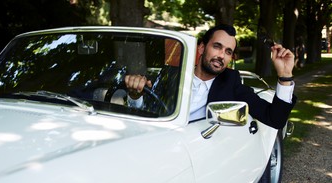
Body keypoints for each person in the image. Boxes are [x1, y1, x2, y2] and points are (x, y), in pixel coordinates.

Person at [124, 24, 296, 129]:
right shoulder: (171, 74)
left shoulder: (231, 83)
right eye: (217, 46)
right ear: (201, 48)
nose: (221, 55)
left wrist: (285, 76)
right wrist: (135, 95)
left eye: (228, 52)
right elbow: (145, 111)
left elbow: (275, 119)